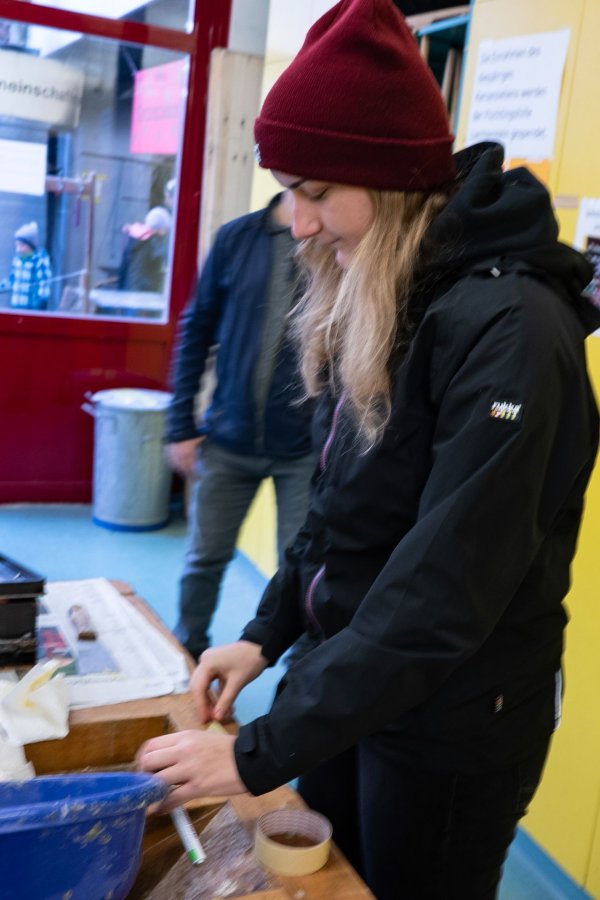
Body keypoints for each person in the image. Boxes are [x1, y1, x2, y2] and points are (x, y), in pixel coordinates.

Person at [137, 2, 600, 897]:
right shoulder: (392, 285)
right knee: (330, 877)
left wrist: (258, 751)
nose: (297, 223)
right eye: (289, 191)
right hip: (352, 691)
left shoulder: (512, 331)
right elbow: (344, 507)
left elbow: (441, 591)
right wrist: (267, 634)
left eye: (316, 192)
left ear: (392, 182)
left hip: (452, 723)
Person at [165, 191, 315, 661]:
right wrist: (180, 425)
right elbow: (195, 329)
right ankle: (188, 656)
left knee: (304, 571)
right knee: (203, 559)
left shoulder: (332, 241)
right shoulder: (236, 239)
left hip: (305, 449)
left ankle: (299, 681)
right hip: (228, 439)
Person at [117, 205, 171, 292]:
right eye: (165, 228)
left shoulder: (136, 238)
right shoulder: (149, 243)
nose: (167, 232)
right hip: (141, 294)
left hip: (130, 291)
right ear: (159, 228)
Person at [1, 222, 52, 310]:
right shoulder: (17, 260)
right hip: (16, 306)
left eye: (22, 245)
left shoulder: (39, 260)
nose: (18, 249)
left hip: (31, 308)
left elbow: (44, 284)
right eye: (17, 245)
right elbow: (11, 281)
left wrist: (41, 303)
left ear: (30, 246)